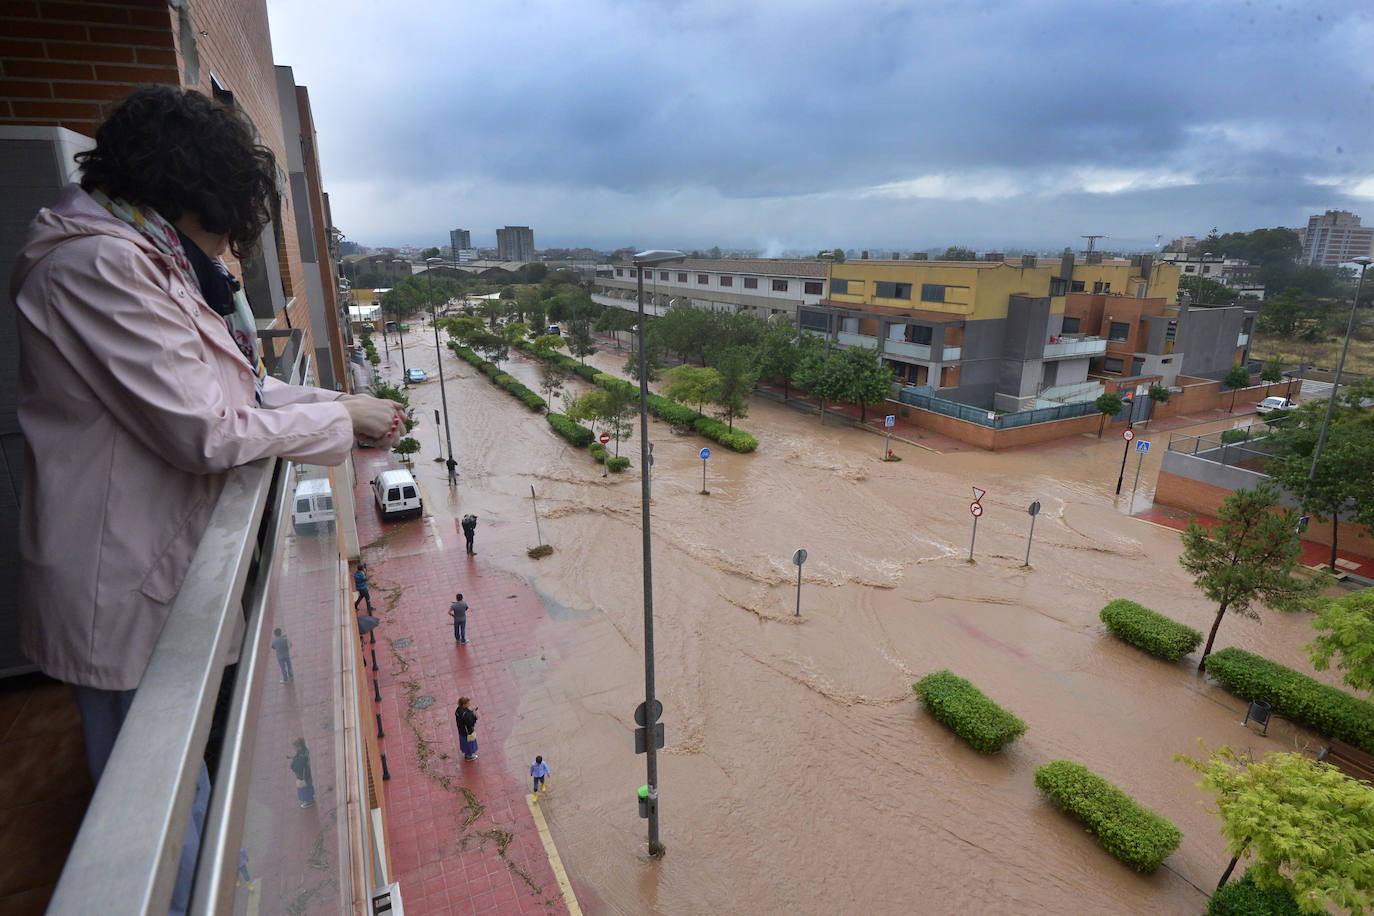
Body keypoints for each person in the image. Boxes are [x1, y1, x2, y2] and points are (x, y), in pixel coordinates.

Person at [11, 85, 405, 914]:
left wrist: (336, 408)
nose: (227, 252)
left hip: (156, 564)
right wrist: (338, 415)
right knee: (156, 806)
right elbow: (207, 428)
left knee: (184, 780)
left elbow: (242, 390)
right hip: (115, 578)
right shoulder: (101, 265)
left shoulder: (141, 255)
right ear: (183, 197)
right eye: (223, 228)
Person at [290, 738, 314, 808]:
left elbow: (295, 766)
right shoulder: (305, 751)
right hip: (307, 774)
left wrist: (293, 764)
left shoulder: (301, 757)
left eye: (295, 747)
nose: (294, 749)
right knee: (309, 786)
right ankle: (311, 798)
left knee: (303, 789)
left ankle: (307, 802)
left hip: (303, 776)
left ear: (299, 747)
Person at [455, 696, 479, 761]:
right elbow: (470, 722)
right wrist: (473, 715)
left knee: (464, 743)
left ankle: (466, 754)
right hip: (467, 732)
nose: (469, 704)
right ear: (464, 704)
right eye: (468, 703)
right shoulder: (465, 713)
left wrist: (470, 713)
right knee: (469, 744)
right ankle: (469, 756)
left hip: (461, 731)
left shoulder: (458, 710)